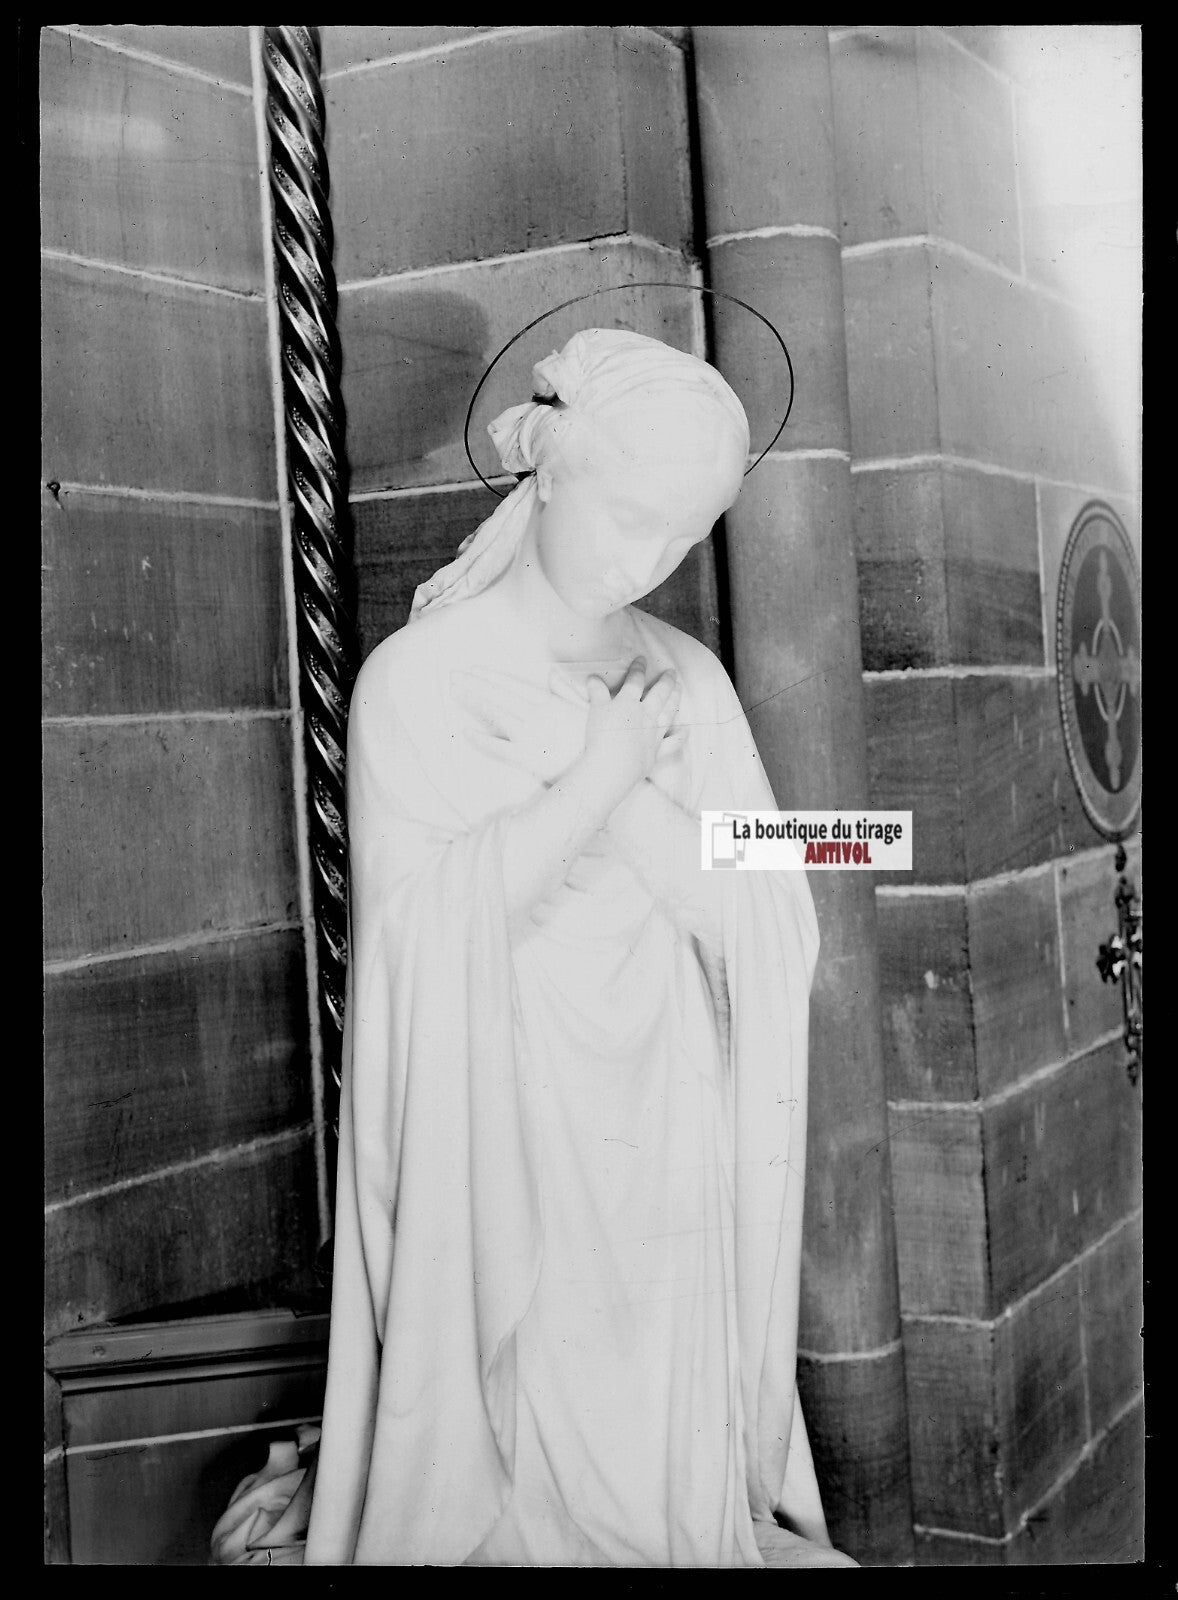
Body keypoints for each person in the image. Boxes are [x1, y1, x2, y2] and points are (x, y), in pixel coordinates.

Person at [299, 327, 856, 1567]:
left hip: (668, 1100)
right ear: (548, 471)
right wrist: (596, 776)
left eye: (682, 537)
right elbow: (413, 943)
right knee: (542, 1440)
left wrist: (632, 798)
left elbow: (782, 891)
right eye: (629, 518)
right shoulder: (417, 682)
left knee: (661, 1437)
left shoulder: (690, 678)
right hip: (516, 1117)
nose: (646, 561)